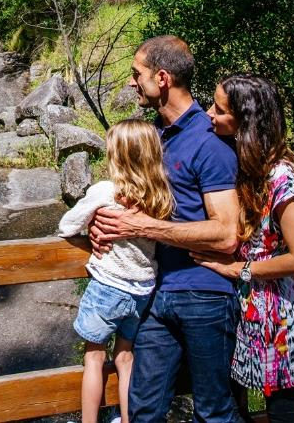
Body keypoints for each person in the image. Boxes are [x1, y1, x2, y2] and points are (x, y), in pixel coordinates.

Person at [91, 36, 242, 423]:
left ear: (162, 78)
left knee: (213, 411)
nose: (131, 82)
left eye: (135, 74)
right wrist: (101, 225)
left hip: (206, 295)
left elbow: (226, 233)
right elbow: (131, 201)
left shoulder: (210, 143)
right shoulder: (151, 136)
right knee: (142, 410)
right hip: (157, 294)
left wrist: (144, 225)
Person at [194, 74, 294, 423]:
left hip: (280, 312)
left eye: (219, 110)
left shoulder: (280, 176)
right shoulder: (245, 166)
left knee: (284, 415)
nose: (209, 115)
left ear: (245, 121)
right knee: (233, 408)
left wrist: (241, 270)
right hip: (245, 308)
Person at [58, 119, 174, 423]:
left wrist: (89, 233)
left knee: (94, 357)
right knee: (125, 356)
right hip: (142, 291)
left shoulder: (107, 191)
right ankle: (127, 419)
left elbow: (67, 226)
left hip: (108, 286)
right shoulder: (160, 196)